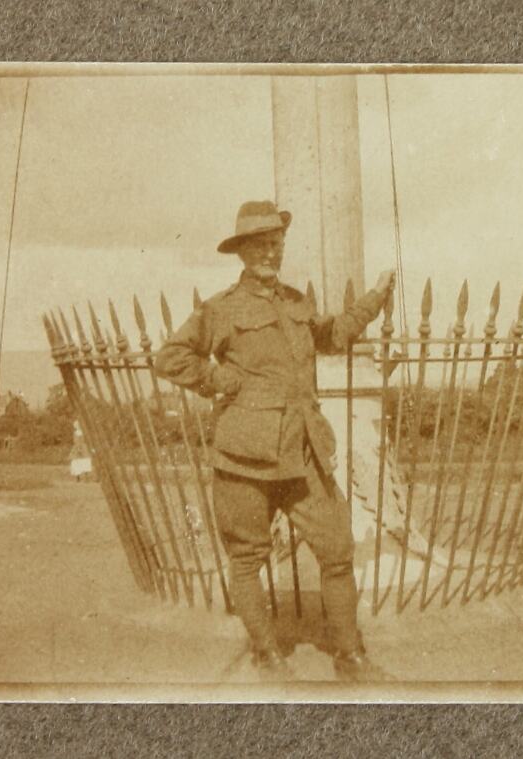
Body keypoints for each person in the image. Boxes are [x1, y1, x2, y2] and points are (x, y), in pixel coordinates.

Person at [154, 200, 395, 682]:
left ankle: (350, 656)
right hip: (244, 457)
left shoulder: (295, 303)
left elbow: (334, 334)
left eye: (275, 243)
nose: (269, 252)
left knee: (337, 550)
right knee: (247, 557)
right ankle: (267, 655)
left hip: (302, 453)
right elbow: (170, 358)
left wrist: (374, 298)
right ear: (241, 252)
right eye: (259, 245)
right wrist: (220, 381)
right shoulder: (220, 309)